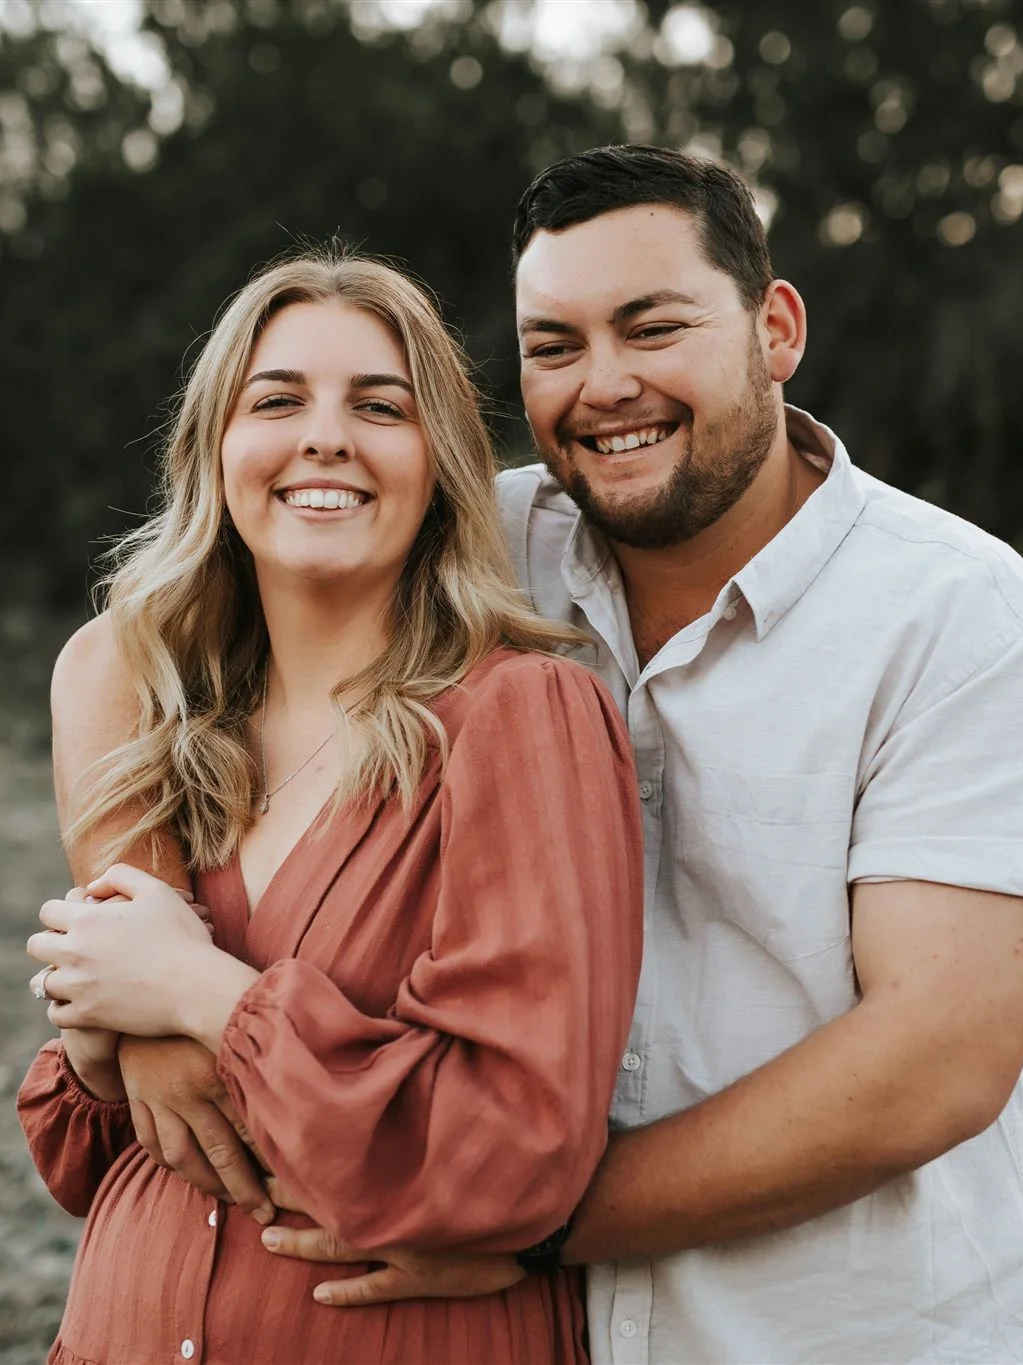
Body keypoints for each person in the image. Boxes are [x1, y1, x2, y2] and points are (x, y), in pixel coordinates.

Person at [30, 144, 1023, 1363]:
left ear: (775, 327)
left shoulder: (957, 614)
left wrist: (532, 1218)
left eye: (651, 327)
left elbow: (943, 1058)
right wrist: (146, 959)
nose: (605, 385)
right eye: (555, 346)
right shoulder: (485, 537)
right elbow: (118, 652)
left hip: (813, 1322)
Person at [17, 250, 646, 1365]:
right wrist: (104, 1038)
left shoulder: (524, 717)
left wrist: (204, 998)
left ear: (441, 464)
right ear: (216, 451)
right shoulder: (172, 731)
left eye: (378, 406)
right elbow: (80, 1159)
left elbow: (514, 1152)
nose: (323, 437)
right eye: (276, 400)